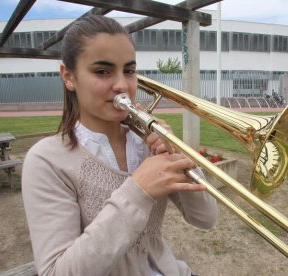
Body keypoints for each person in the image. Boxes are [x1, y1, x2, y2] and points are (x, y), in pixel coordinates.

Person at [22, 15, 218, 276]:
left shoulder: (146, 145)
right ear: (68, 77)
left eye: (129, 70)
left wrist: (178, 155)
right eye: (102, 71)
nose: (122, 85)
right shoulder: (46, 160)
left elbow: (205, 219)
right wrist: (138, 191)